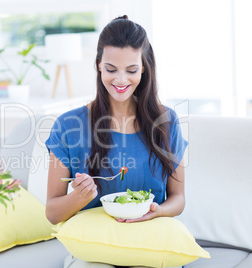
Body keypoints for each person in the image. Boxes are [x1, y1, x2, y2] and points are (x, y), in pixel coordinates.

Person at [45, 15, 188, 227]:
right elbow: (52, 213)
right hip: (94, 242)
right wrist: (80, 196)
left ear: (144, 69)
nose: (121, 80)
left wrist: (157, 211)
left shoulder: (166, 121)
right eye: (111, 69)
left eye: (131, 70)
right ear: (99, 65)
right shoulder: (68, 126)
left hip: (152, 237)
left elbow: (178, 198)